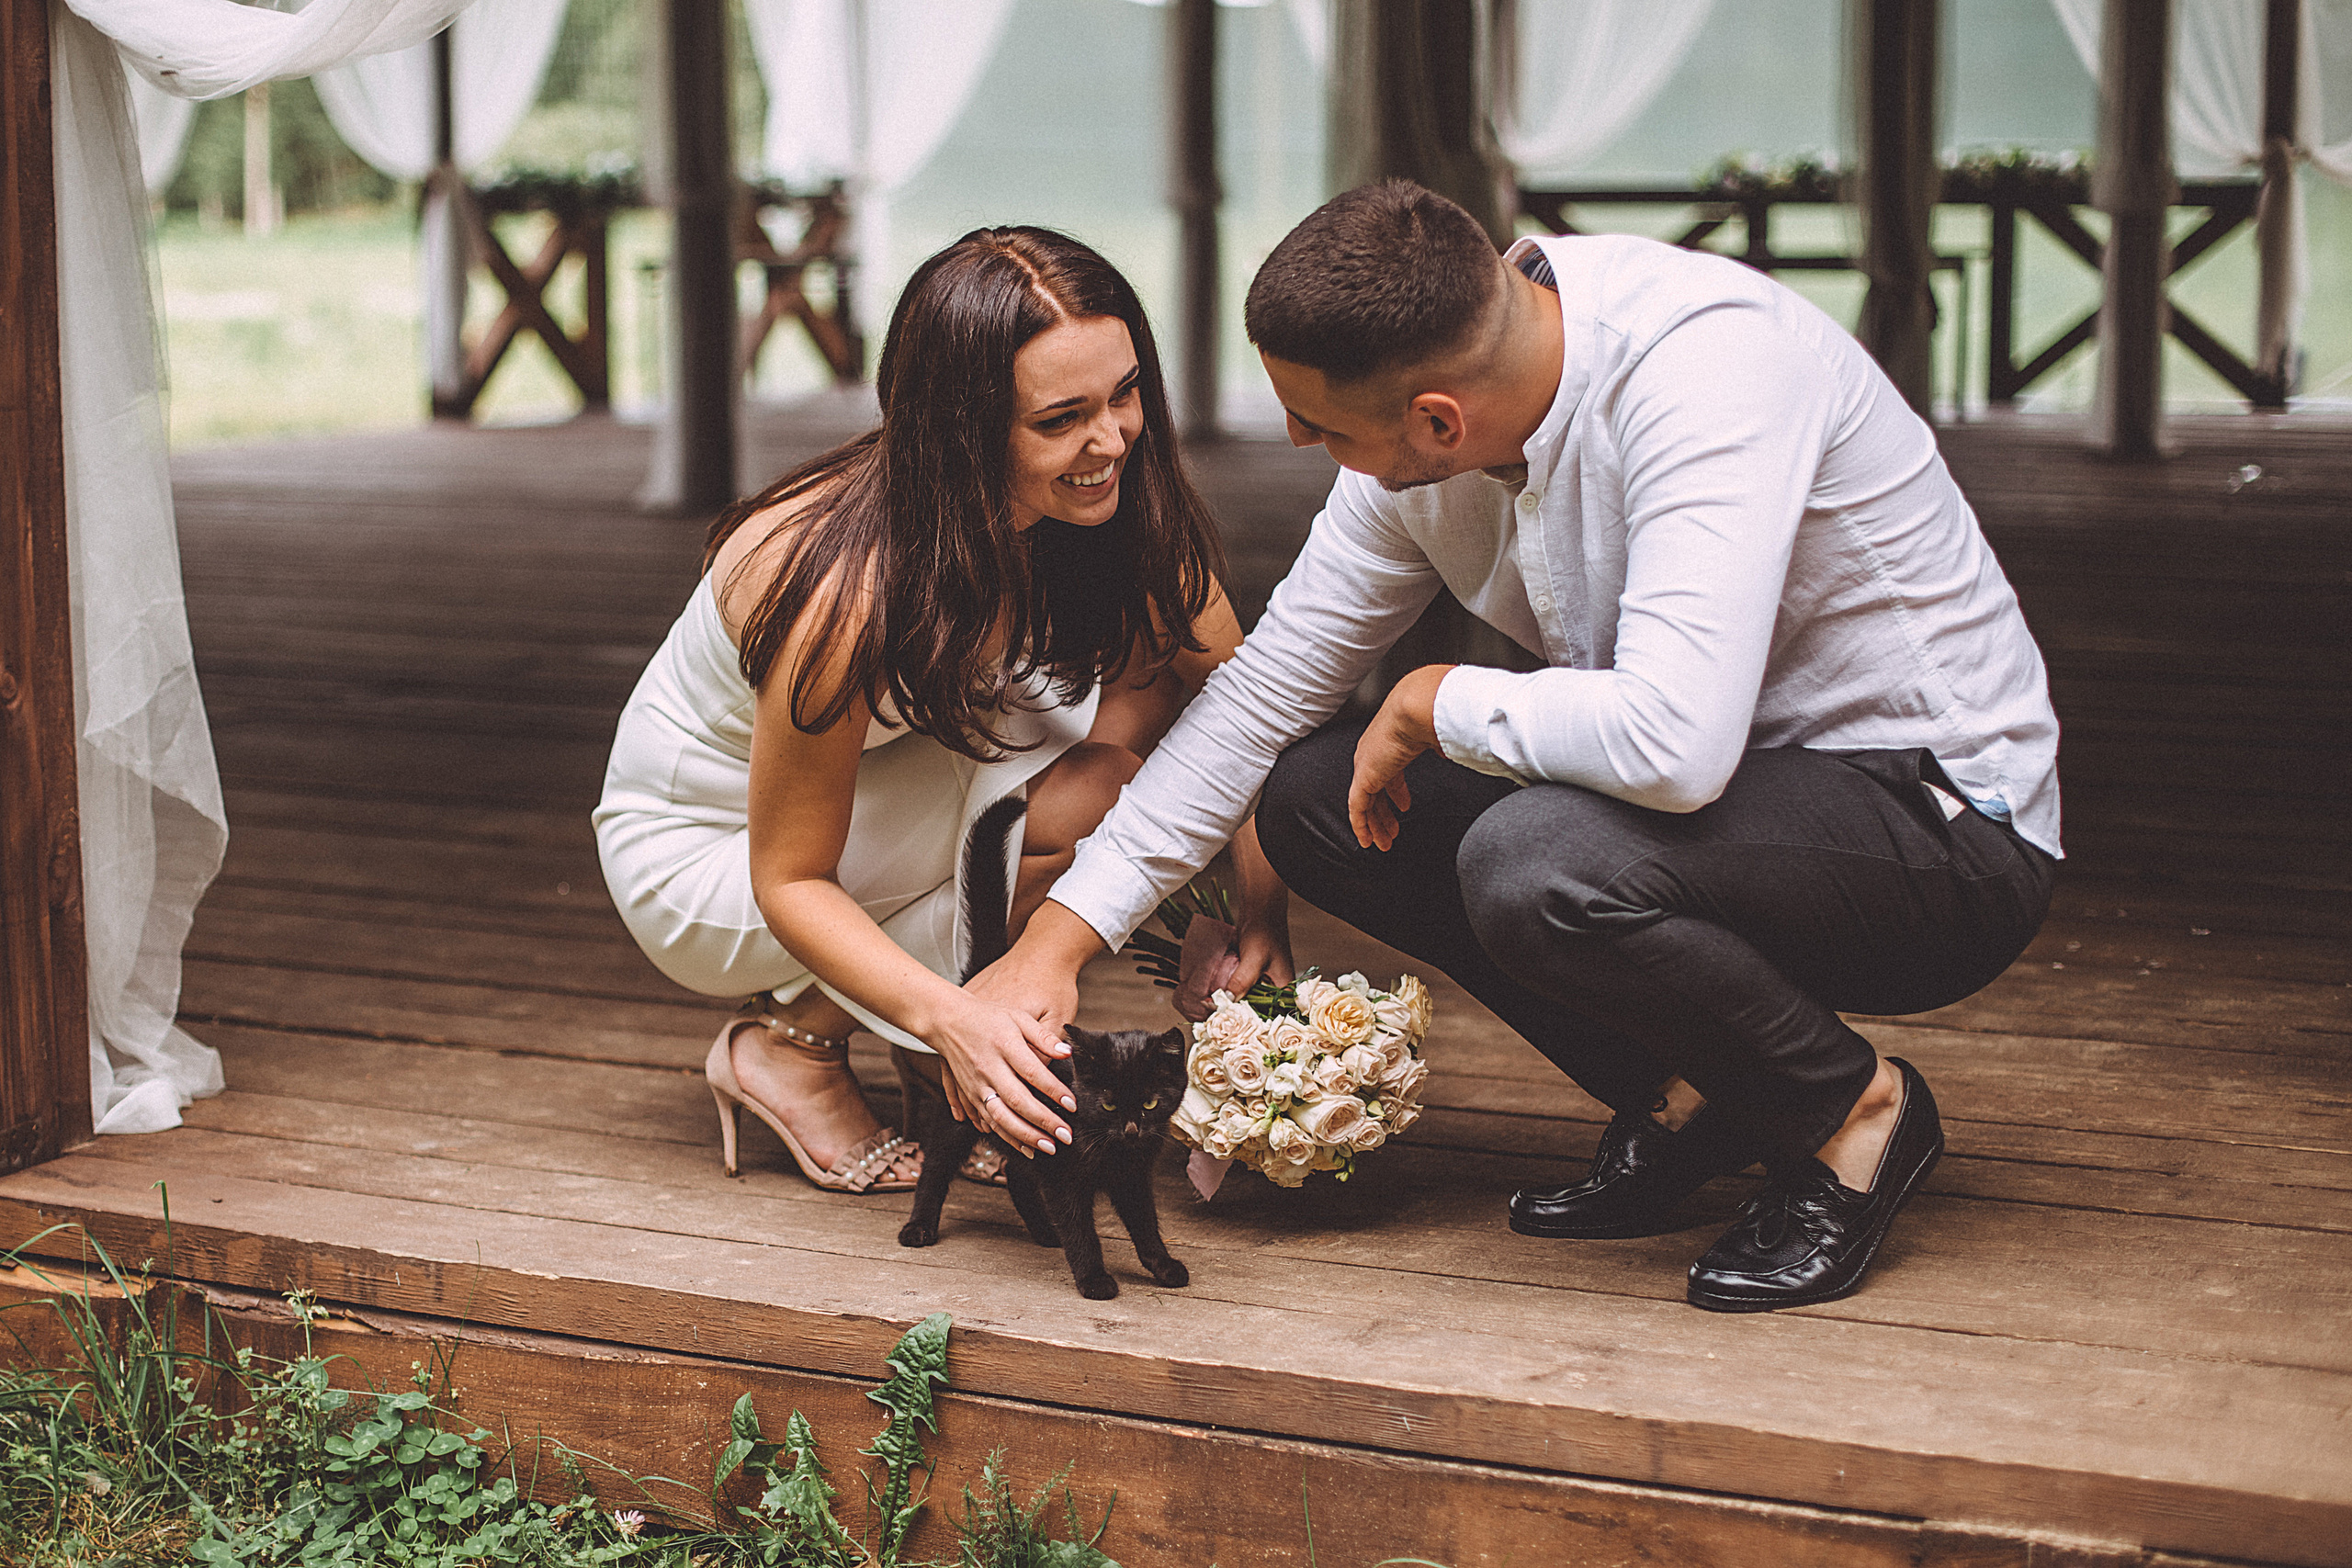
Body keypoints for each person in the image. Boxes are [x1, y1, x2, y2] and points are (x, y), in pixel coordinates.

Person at [975, 182, 2061, 1311]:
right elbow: (1256, 703)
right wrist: (1050, 951)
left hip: (1941, 831)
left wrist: (1437, 697)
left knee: (1534, 860)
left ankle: (1853, 1113)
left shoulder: (1704, 374)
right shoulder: (1427, 422)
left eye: (1322, 424)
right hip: (1720, 815)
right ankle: (1697, 1094)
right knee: (1311, 798)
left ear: (1437, 421)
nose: (1299, 442)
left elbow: (1674, 745)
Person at [594, 227, 1293, 1194]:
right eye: (1060, 420)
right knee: (1081, 802)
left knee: (1125, 733)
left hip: (886, 791)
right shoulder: (843, 589)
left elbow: (1241, 708)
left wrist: (1263, 920)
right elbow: (789, 878)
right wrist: (951, 1020)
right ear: (962, 430)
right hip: (707, 858)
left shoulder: (1113, 498)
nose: (1112, 441)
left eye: (1124, 394)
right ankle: (797, 1050)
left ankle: (932, 1035)